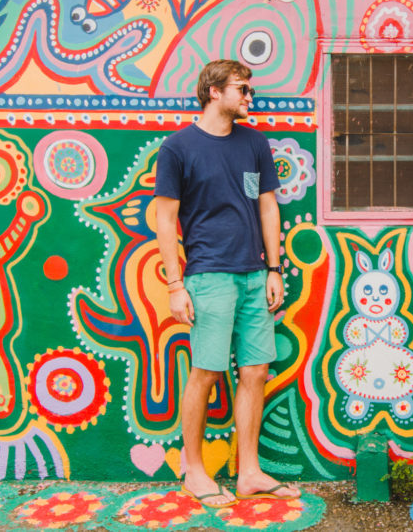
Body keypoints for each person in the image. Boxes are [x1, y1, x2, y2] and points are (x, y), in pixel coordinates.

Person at [154, 59, 301, 508]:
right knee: (206, 372)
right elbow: (164, 217)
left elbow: (268, 207)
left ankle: (249, 472)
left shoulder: (254, 143)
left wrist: (274, 269)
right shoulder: (178, 147)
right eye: (242, 89)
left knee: (255, 371)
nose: (249, 97)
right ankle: (194, 471)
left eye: (249, 90)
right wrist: (175, 284)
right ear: (213, 91)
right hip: (208, 275)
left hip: (255, 275)